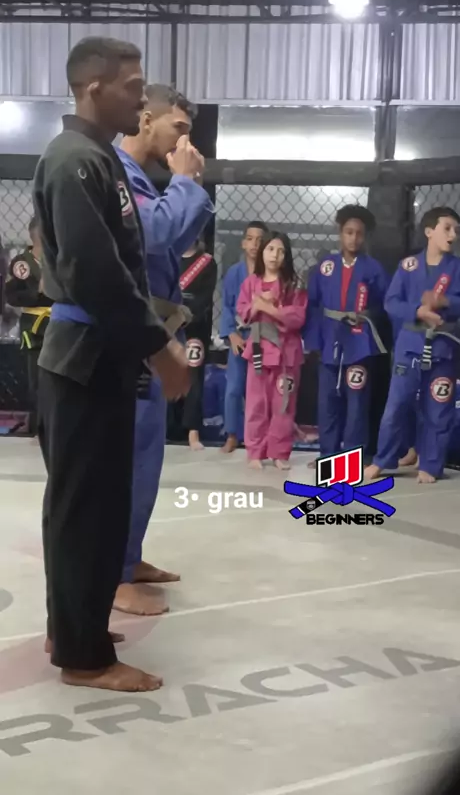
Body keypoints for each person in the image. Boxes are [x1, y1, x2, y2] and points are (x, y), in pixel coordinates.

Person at [33, 36, 190, 693]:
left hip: (99, 358)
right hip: (83, 358)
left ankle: (74, 628)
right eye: (132, 86)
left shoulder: (95, 158)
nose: (141, 98)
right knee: (84, 510)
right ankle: (85, 658)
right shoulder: (74, 160)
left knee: (95, 507)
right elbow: (97, 274)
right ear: (94, 88)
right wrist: (159, 346)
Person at [115, 84, 214, 616]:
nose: (184, 141)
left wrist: (186, 185)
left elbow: (174, 240)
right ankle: (112, 574)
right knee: (125, 458)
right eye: (178, 128)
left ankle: (128, 558)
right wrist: (183, 181)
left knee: (146, 456)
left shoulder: (143, 180)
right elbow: (153, 234)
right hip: (126, 337)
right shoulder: (116, 172)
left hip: (153, 335)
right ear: (146, 119)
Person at [365, 207, 460, 484]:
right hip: (410, 347)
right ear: (429, 231)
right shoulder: (408, 266)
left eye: (455, 229)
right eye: (447, 228)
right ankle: (383, 459)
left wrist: (446, 302)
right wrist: (418, 310)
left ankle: (431, 464)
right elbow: (391, 302)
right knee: (396, 406)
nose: (453, 234)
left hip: (443, 349)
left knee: (438, 408)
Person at [303, 205, 389, 463]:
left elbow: (385, 304)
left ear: (365, 236)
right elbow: (313, 304)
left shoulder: (373, 268)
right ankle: (327, 455)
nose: (354, 238)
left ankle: (352, 459)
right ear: (340, 233)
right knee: (327, 402)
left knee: (357, 404)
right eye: (349, 232)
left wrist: (367, 315)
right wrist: (313, 340)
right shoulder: (325, 266)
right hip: (330, 339)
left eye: (359, 233)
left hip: (359, 342)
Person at [236, 232, 307, 470]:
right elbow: (243, 312)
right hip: (259, 349)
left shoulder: (294, 285)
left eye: (281, 251)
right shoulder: (251, 283)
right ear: (262, 252)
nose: (275, 255)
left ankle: (279, 452)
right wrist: (256, 305)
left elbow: (298, 317)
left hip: (286, 351)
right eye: (270, 249)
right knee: (256, 403)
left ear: (287, 256)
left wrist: (268, 307)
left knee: (283, 404)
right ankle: (255, 451)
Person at [219, 221, 268, 453]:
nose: (255, 244)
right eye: (250, 239)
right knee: (234, 387)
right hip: (239, 336)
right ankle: (231, 434)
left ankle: (257, 437)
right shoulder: (233, 273)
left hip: (262, 337)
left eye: (260, 240)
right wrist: (231, 334)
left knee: (259, 390)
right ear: (243, 243)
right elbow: (227, 306)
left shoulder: (270, 274)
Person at [4, 218, 53, 435]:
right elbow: (11, 296)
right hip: (35, 328)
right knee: (37, 379)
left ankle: (58, 424)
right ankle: (39, 425)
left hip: (61, 324)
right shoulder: (21, 264)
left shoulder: (59, 258)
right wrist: (37, 292)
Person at [174, 238, 218, 449]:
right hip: (168, 326)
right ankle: (168, 427)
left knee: (194, 377)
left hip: (194, 327)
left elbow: (203, 299)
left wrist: (185, 314)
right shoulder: (168, 258)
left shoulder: (206, 262)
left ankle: (193, 431)